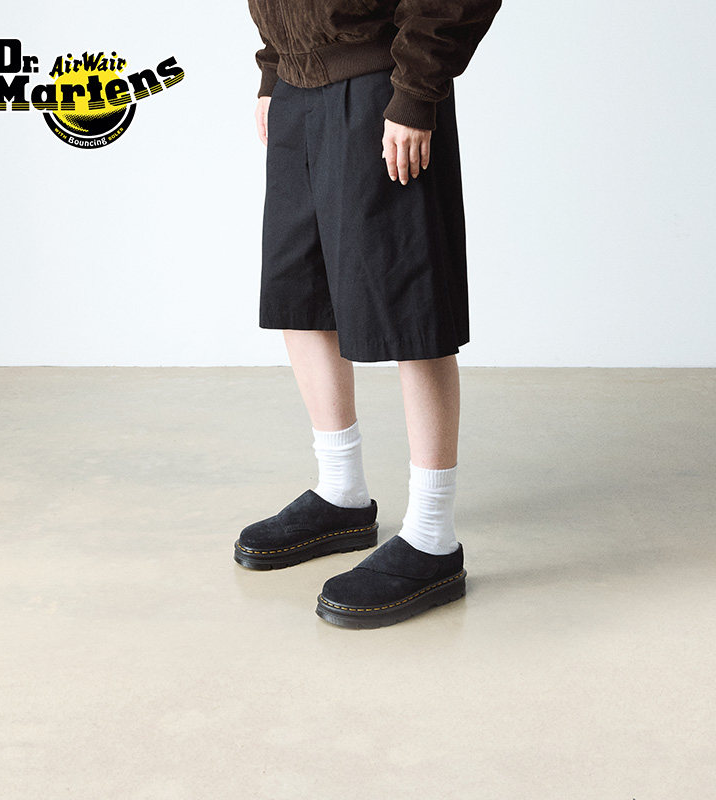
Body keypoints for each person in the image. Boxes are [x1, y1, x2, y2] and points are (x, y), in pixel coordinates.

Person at [234, 0, 503, 628]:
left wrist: (414, 94)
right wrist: (274, 69)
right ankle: (342, 494)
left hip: (383, 85)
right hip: (296, 86)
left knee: (412, 306)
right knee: (302, 292)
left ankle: (432, 538)